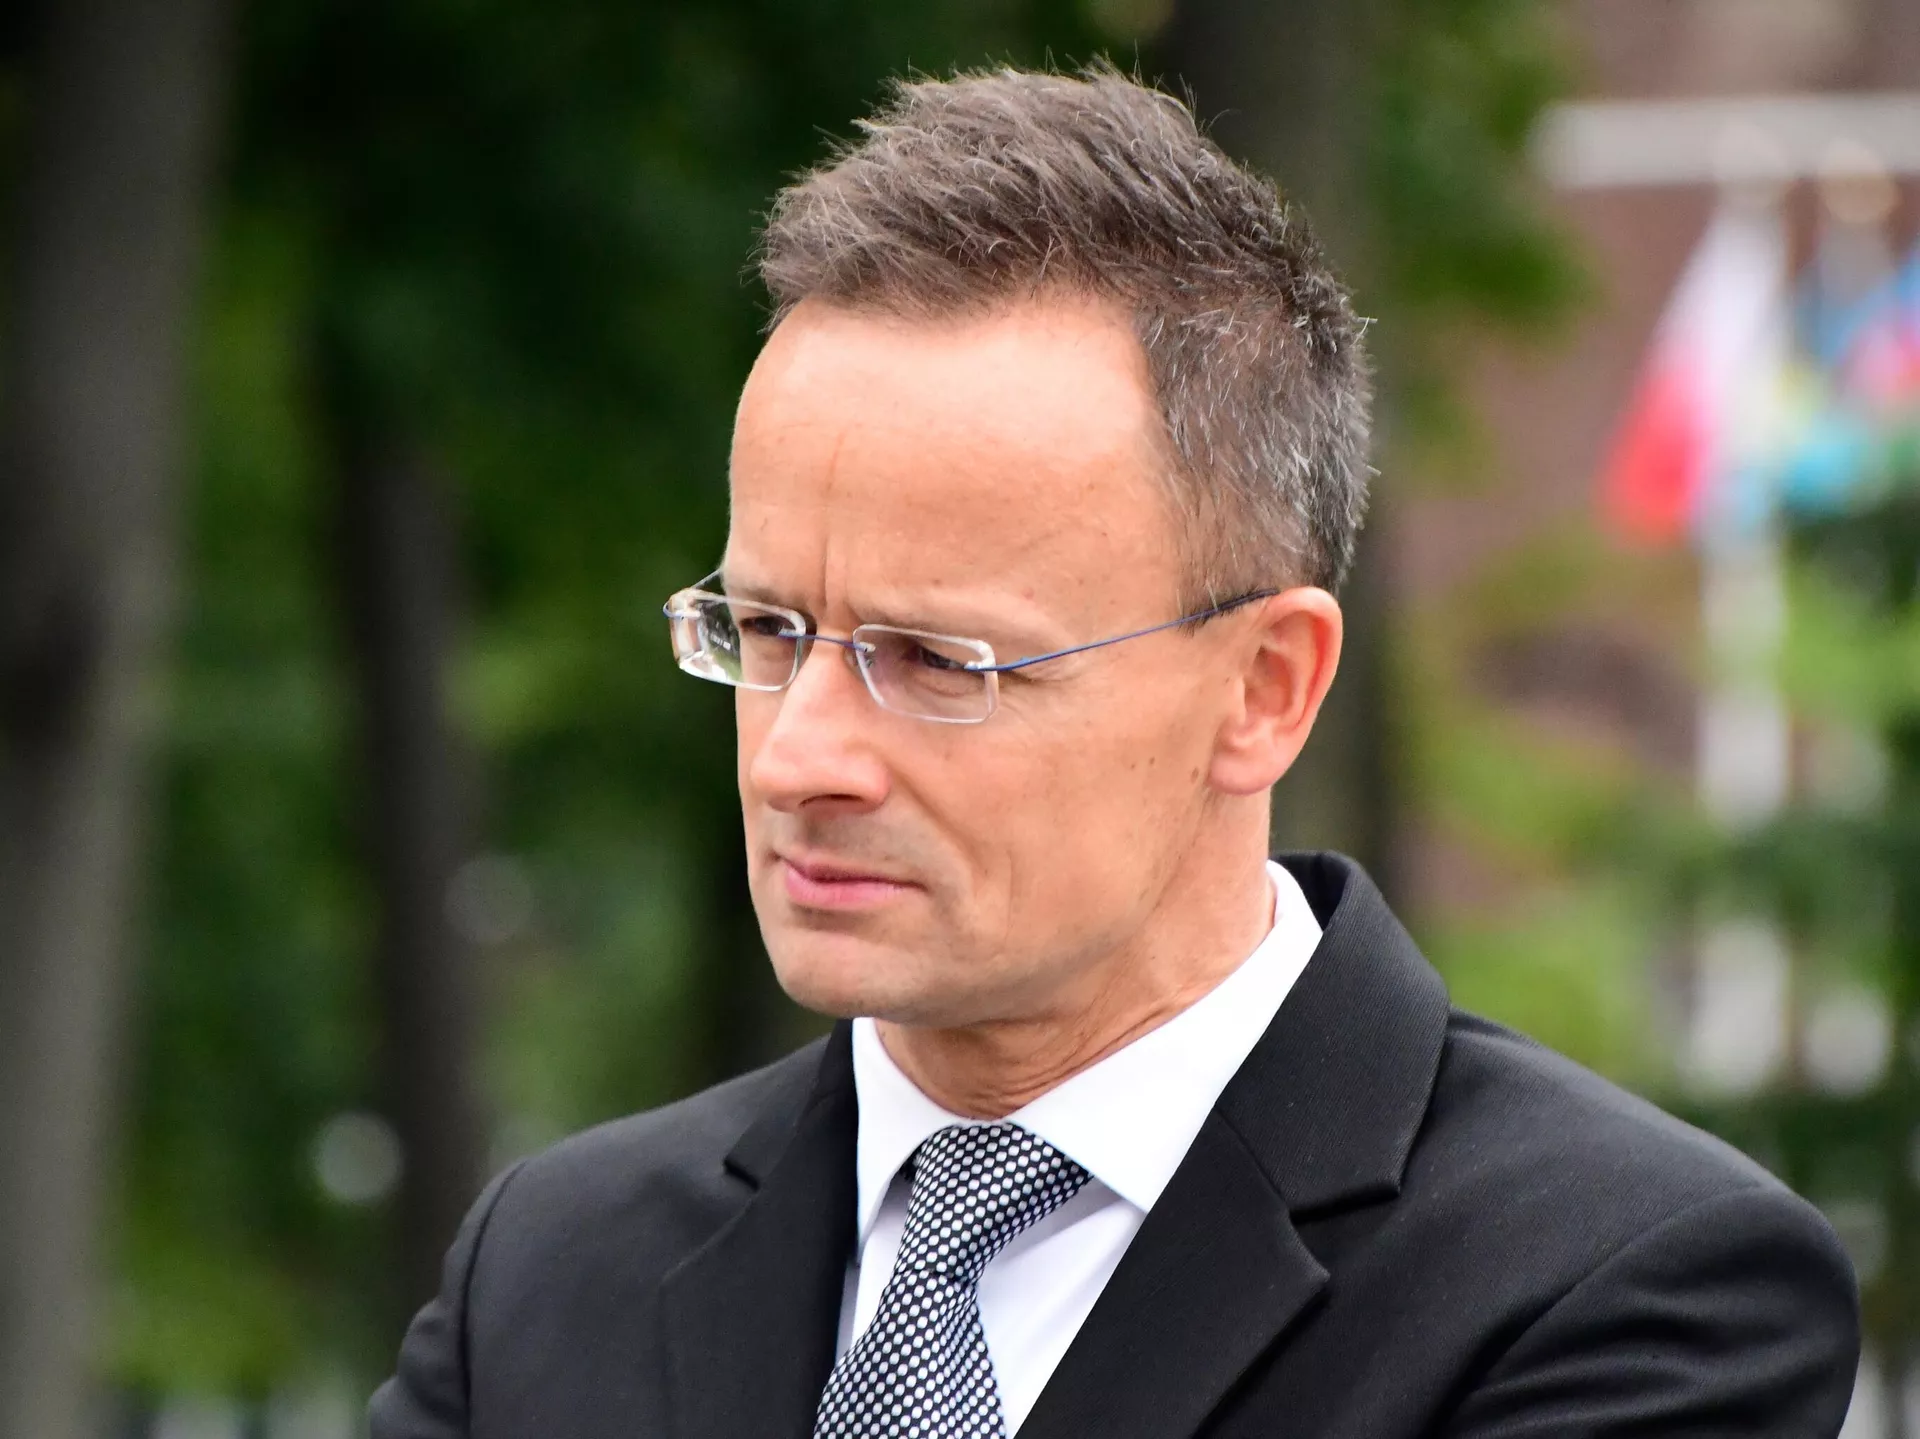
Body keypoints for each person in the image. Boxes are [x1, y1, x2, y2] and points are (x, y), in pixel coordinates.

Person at [369, 64, 1859, 1439]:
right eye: (768, 630)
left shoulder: (1619, 1291)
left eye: (937, 660)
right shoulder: (550, 1273)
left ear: (1265, 688)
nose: (797, 757)